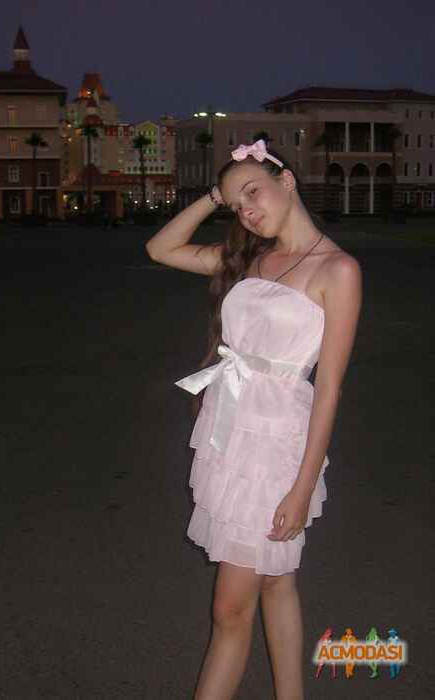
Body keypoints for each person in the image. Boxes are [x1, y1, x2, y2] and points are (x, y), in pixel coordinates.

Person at [145, 138, 362, 700]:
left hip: (274, 449)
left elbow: (329, 388)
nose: (247, 211)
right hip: (231, 435)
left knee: (229, 610)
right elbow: (160, 248)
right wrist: (214, 195)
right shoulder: (250, 258)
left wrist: (302, 485)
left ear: (286, 181)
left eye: (254, 193)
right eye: (237, 204)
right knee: (276, 584)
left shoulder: (337, 269)